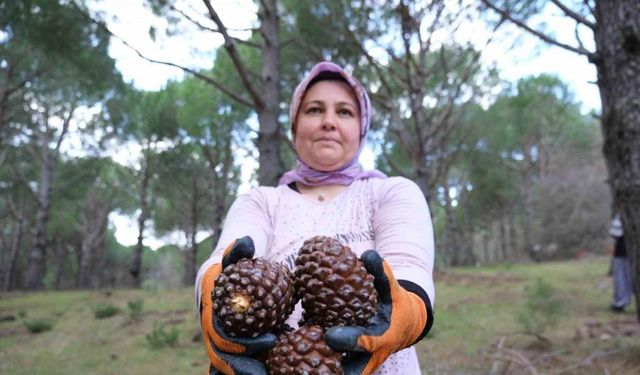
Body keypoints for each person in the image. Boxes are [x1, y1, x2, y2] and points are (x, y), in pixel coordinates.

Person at [195, 61, 435, 375]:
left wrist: (407, 313)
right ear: (294, 126)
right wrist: (214, 298)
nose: (328, 122)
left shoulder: (389, 193)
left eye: (345, 112)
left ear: (361, 129)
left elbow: (411, 266)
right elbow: (221, 259)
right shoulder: (262, 201)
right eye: (313, 110)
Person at [608, 207, 631, 312]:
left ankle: (621, 302)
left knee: (621, 277)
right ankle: (623, 300)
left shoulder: (621, 216)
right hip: (629, 252)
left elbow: (614, 233)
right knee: (627, 277)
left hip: (621, 252)